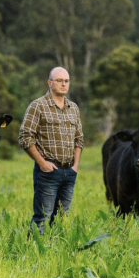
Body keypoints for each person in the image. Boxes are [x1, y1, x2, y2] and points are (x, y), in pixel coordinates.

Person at [18, 66, 84, 234]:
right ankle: (34, 252)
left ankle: (56, 253)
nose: (64, 84)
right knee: (42, 217)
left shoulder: (73, 108)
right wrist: (42, 163)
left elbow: (79, 139)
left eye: (66, 81)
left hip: (69, 171)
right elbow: (25, 137)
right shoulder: (38, 106)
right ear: (49, 83)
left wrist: (75, 166)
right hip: (48, 172)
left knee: (62, 218)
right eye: (59, 80)